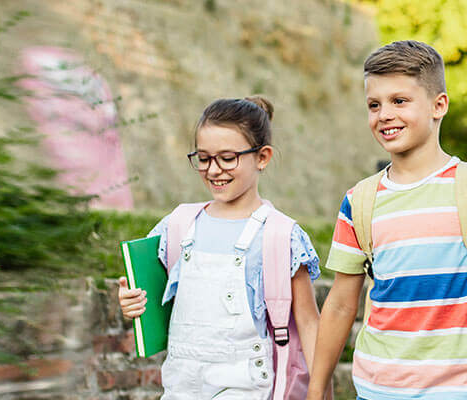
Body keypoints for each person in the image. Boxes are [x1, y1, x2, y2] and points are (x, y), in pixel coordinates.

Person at [306, 40, 467, 400]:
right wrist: (316, 388)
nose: (384, 114)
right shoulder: (359, 200)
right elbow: (340, 304)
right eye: (374, 104)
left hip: (461, 390)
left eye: (399, 101)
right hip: (376, 390)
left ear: (439, 105)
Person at [118, 96, 325, 399]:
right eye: (203, 158)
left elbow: (309, 323)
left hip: (244, 385)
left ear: (262, 157)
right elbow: (151, 302)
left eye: (227, 158)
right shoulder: (177, 225)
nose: (214, 170)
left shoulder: (281, 235)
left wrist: (320, 391)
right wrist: (131, 302)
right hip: (179, 384)